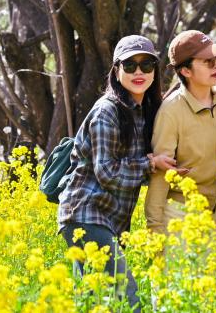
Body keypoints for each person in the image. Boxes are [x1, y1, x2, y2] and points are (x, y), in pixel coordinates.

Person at [57, 35, 176, 312]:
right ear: (116, 70)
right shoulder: (107, 112)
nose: (138, 72)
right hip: (86, 214)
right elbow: (107, 172)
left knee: (95, 302)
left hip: (106, 220)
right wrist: (149, 164)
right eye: (130, 65)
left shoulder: (144, 111)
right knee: (127, 299)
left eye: (147, 65)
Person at [145, 30, 216, 233]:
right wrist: (155, 229)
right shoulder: (171, 110)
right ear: (185, 71)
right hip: (181, 215)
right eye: (207, 61)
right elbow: (161, 174)